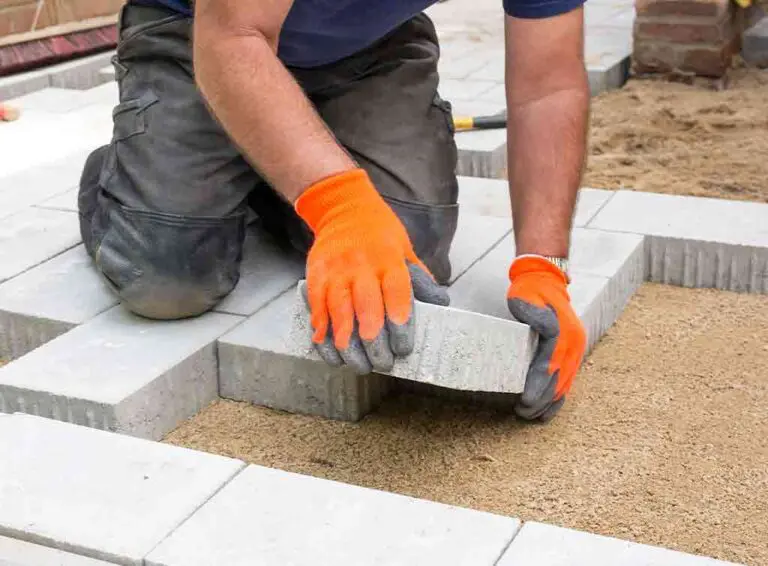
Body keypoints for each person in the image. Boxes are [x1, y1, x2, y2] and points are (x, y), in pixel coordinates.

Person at [78, 0, 589, 422]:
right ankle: (132, 178)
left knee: (411, 256)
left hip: (368, 45)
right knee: (166, 276)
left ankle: (266, 164)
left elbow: (550, 86)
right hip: (197, 31)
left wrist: (544, 266)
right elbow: (233, 36)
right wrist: (341, 208)